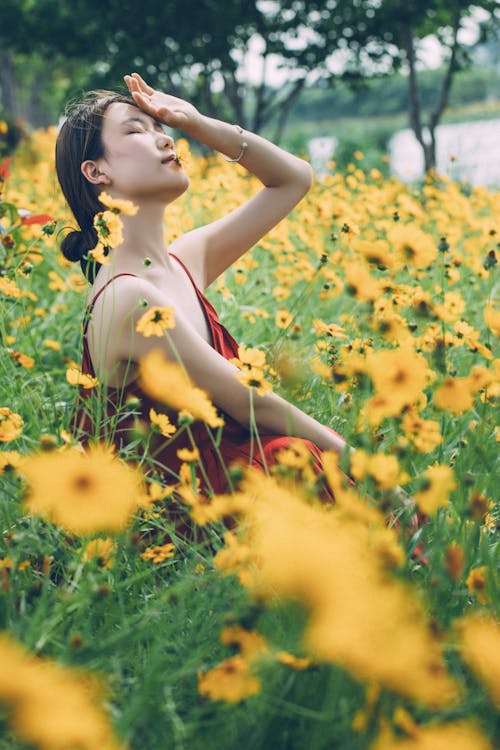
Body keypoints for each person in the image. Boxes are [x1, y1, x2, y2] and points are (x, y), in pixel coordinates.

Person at [54, 73, 357, 500]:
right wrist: (359, 464)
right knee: (298, 457)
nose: (165, 139)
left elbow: (294, 180)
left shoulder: (181, 261)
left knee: (296, 459)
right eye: (137, 130)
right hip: (182, 516)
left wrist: (196, 123)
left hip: (230, 482)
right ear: (96, 171)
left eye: (163, 129)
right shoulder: (129, 297)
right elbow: (250, 404)